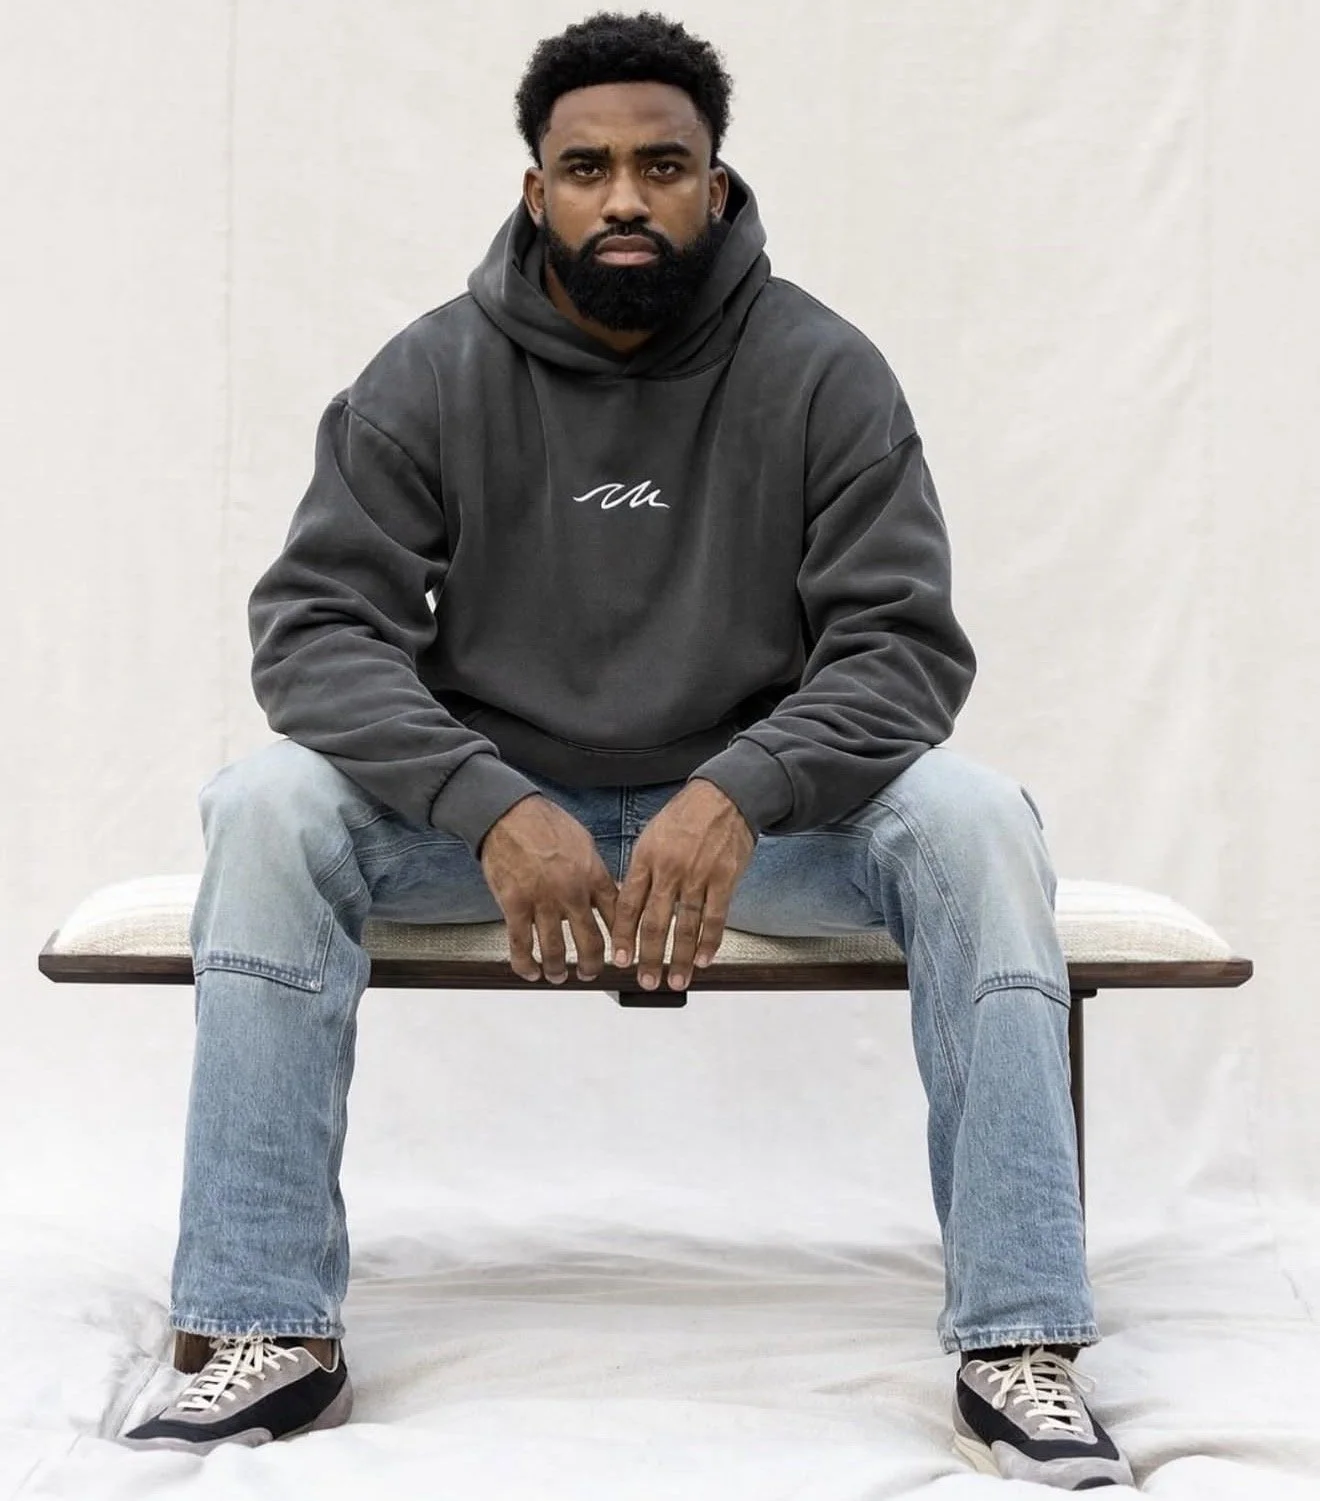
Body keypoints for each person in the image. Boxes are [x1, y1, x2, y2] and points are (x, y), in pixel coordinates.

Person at [122, 11, 1133, 1487]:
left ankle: (1018, 1341)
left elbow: (903, 651)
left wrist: (743, 787)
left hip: (761, 832)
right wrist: (485, 800)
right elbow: (315, 633)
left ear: (715, 187)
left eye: (664, 165)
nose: (625, 198)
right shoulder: (432, 374)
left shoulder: (822, 371)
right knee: (268, 807)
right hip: (489, 830)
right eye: (586, 167)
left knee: (978, 823)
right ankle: (266, 1323)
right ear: (536, 191)